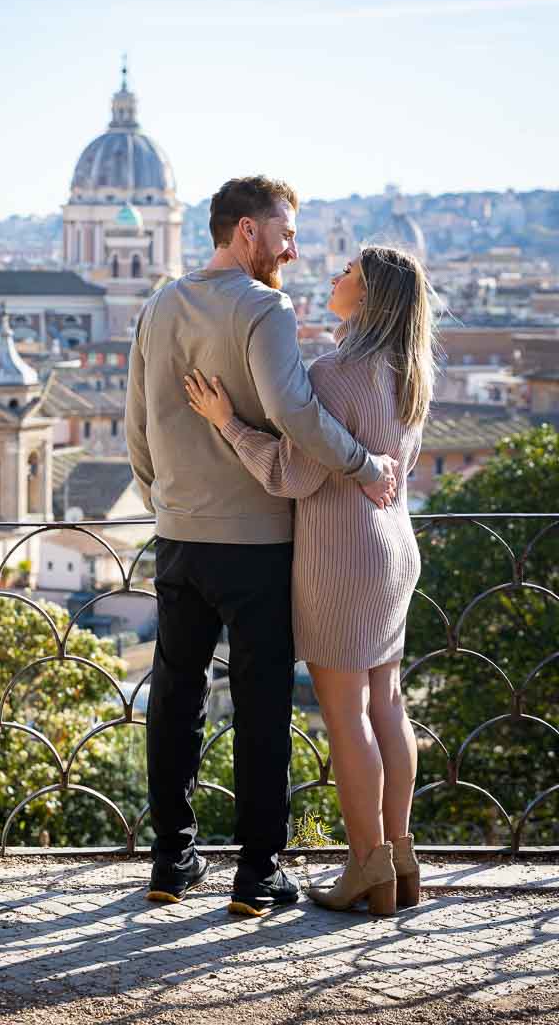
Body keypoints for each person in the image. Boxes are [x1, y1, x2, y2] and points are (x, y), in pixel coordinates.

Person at [125, 176, 398, 917]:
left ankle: (171, 863)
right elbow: (296, 413)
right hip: (256, 541)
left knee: (175, 698)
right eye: (284, 232)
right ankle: (256, 873)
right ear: (245, 230)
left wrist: (166, 500)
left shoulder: (158, 304)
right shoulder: (264, 306)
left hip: (178, 536)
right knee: (261, 703)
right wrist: (365, 466)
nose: (293, 247)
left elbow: (135, 427)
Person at [185, 244, 434, 916]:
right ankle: (401, 858)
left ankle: (365, 867)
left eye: (348, 271)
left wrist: (228, 424)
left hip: (343, 556)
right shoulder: (409, 373)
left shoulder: (334, 374)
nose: (334, 275)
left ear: (371, 294)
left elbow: (292, 475)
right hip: (393, 551)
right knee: (388, 706)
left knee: (347, 714)